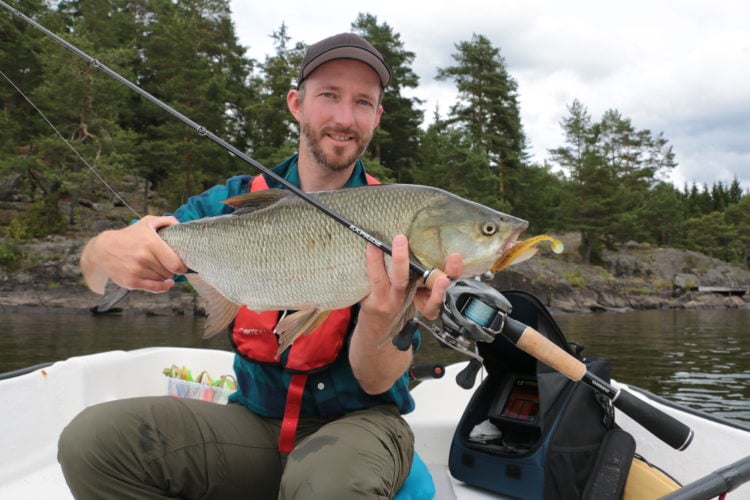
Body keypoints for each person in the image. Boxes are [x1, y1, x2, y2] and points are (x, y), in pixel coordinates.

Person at [58, 33, 462, 499]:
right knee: (93, 442)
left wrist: (378, 315)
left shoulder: (397, 222)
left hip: (360, 427)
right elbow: (136, 243)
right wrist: (106, 249)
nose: (344, 118)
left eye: (363, 102)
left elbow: (376, 380)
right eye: (329, 95)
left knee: (329, 487)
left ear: (377, 117)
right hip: (254, 424)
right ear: (297, 103)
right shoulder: (230, 203)